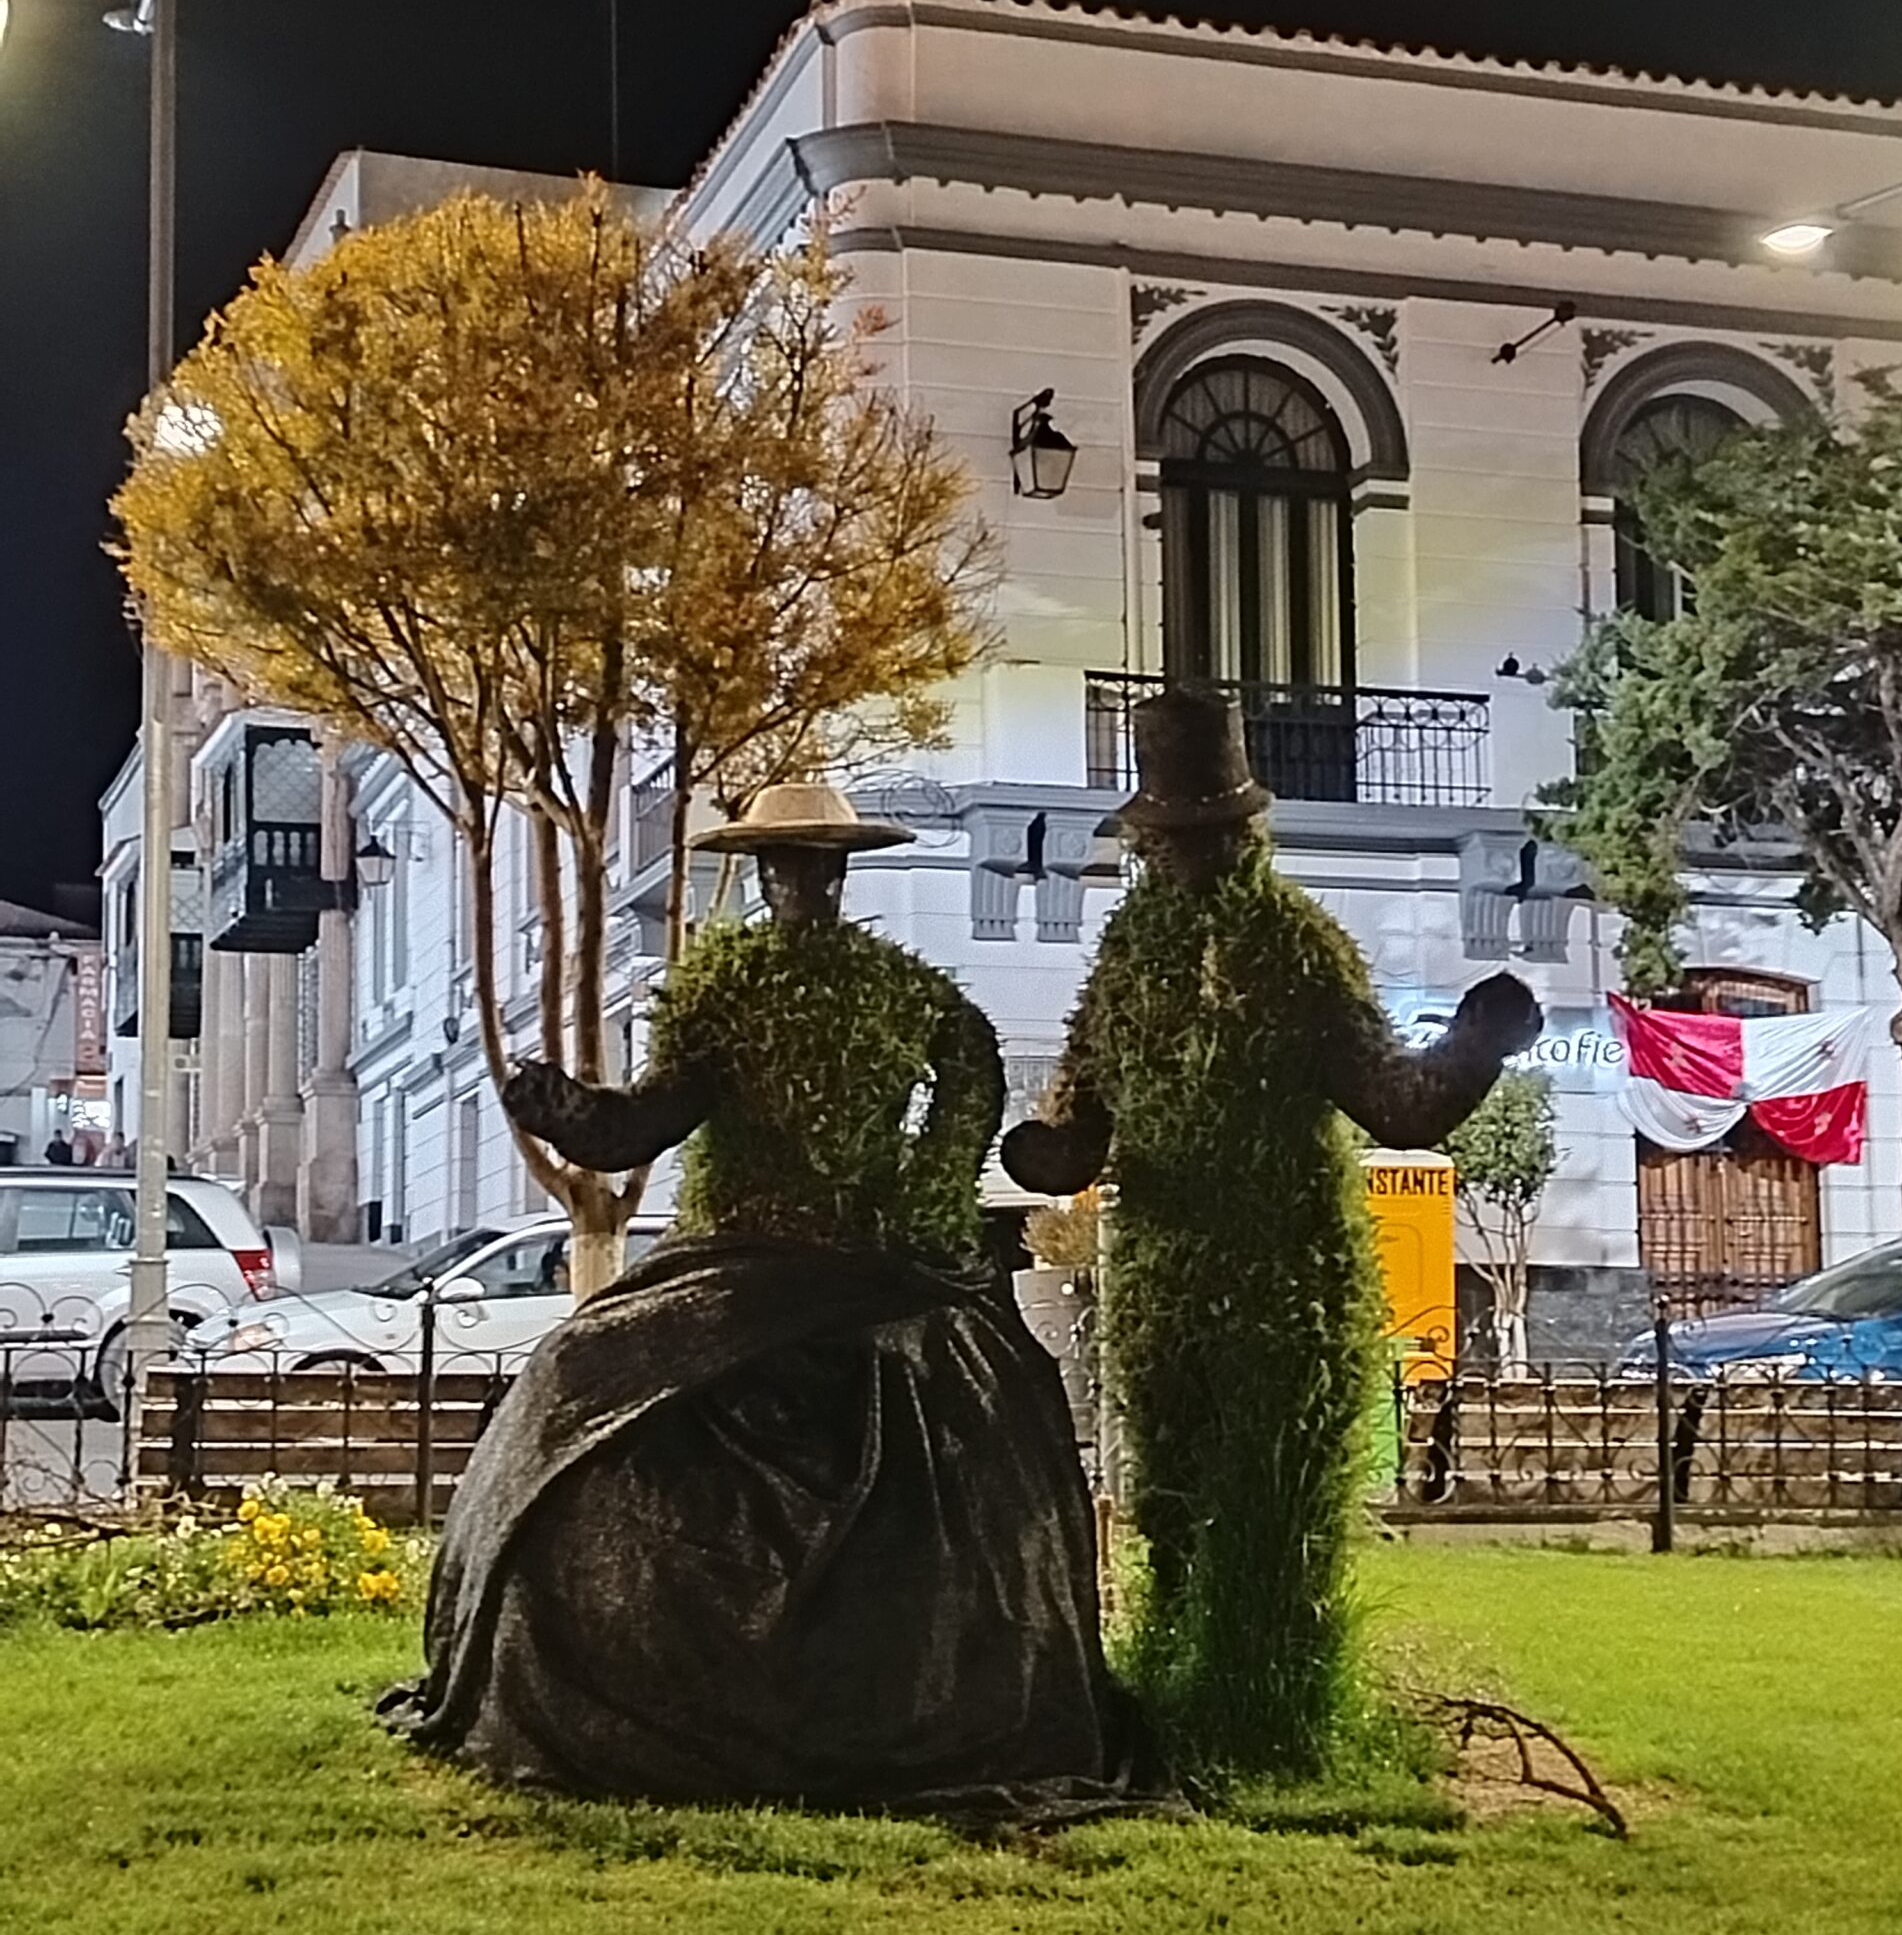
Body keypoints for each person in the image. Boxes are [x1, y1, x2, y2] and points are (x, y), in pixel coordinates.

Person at [383, 782, 1157, 1822]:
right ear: (762, 874)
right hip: (737, 1259)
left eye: (816, 863)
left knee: (952, 1401)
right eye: (784, 864)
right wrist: (575, 1115)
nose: (801, 882)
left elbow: (970, 1066)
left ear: (839, 872)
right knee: (578, 1374)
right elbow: (652, 1116)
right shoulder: (725, 990)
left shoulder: (899, 991)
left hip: (868, 1263)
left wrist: (919, 1197)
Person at [1002, 688, 1540, 1775]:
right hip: (1161, 1284)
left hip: (1281, 1275)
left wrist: (1477, 1044)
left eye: (1199, 839)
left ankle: (1261, 1721)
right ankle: (1170, 1704)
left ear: (1238, 837)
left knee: (1265, 1511)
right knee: (1171, 1508)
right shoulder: (1132, 960)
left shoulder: (1291, 946)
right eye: (1172, 841)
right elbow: (1084, 1135)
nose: (1185, 860)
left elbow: (1396, 1105)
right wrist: (1034, 1153)